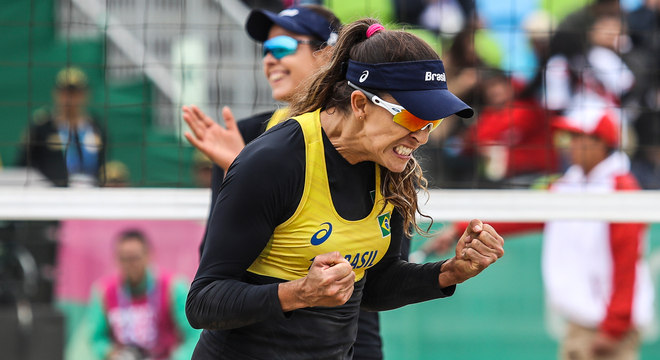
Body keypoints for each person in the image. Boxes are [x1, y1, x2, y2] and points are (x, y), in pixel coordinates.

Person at [185, 18, 505, 359]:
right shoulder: (275, 162)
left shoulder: (395, 169)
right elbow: (204, 301)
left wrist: (450, 272)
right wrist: (300, 293)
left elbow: (375, 286)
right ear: (360, 104)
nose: (421, 137)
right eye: (412, 119)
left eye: (433, 122)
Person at [185, 6, 395, 360]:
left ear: (329, 54)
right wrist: (244, 169)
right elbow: (213, 272)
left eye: (282, 47)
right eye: (265, 50)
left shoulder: (376, 141)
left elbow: (370, 286)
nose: (269, 59)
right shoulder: (250, 140)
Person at [424, 109, 655, 360]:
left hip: (607, 327)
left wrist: (614, 328)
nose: (569, 145)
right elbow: (525, 215)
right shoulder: (571, 184)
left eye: (577, 137)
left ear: (599, 143)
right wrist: (461, 228)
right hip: (584, 321)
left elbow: (626, 263)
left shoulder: (620, 189)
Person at [87, 229, 200, 360]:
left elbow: (194, 335)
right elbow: (96, 338)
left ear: (148, 255)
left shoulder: (173, 288)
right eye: (124, 259)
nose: (130, 265)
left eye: (134, 258)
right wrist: (110, 353)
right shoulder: (103, 291)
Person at [16, 67, 105, 187]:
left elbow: (103, 164)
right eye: (65, 92)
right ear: (56, 94)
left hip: (92, 194)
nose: (69, 98)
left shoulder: (96, 127)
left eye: (75, 93)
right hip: (51, 196)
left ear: (85, 95)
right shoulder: (42, 128)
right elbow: (23, 167)